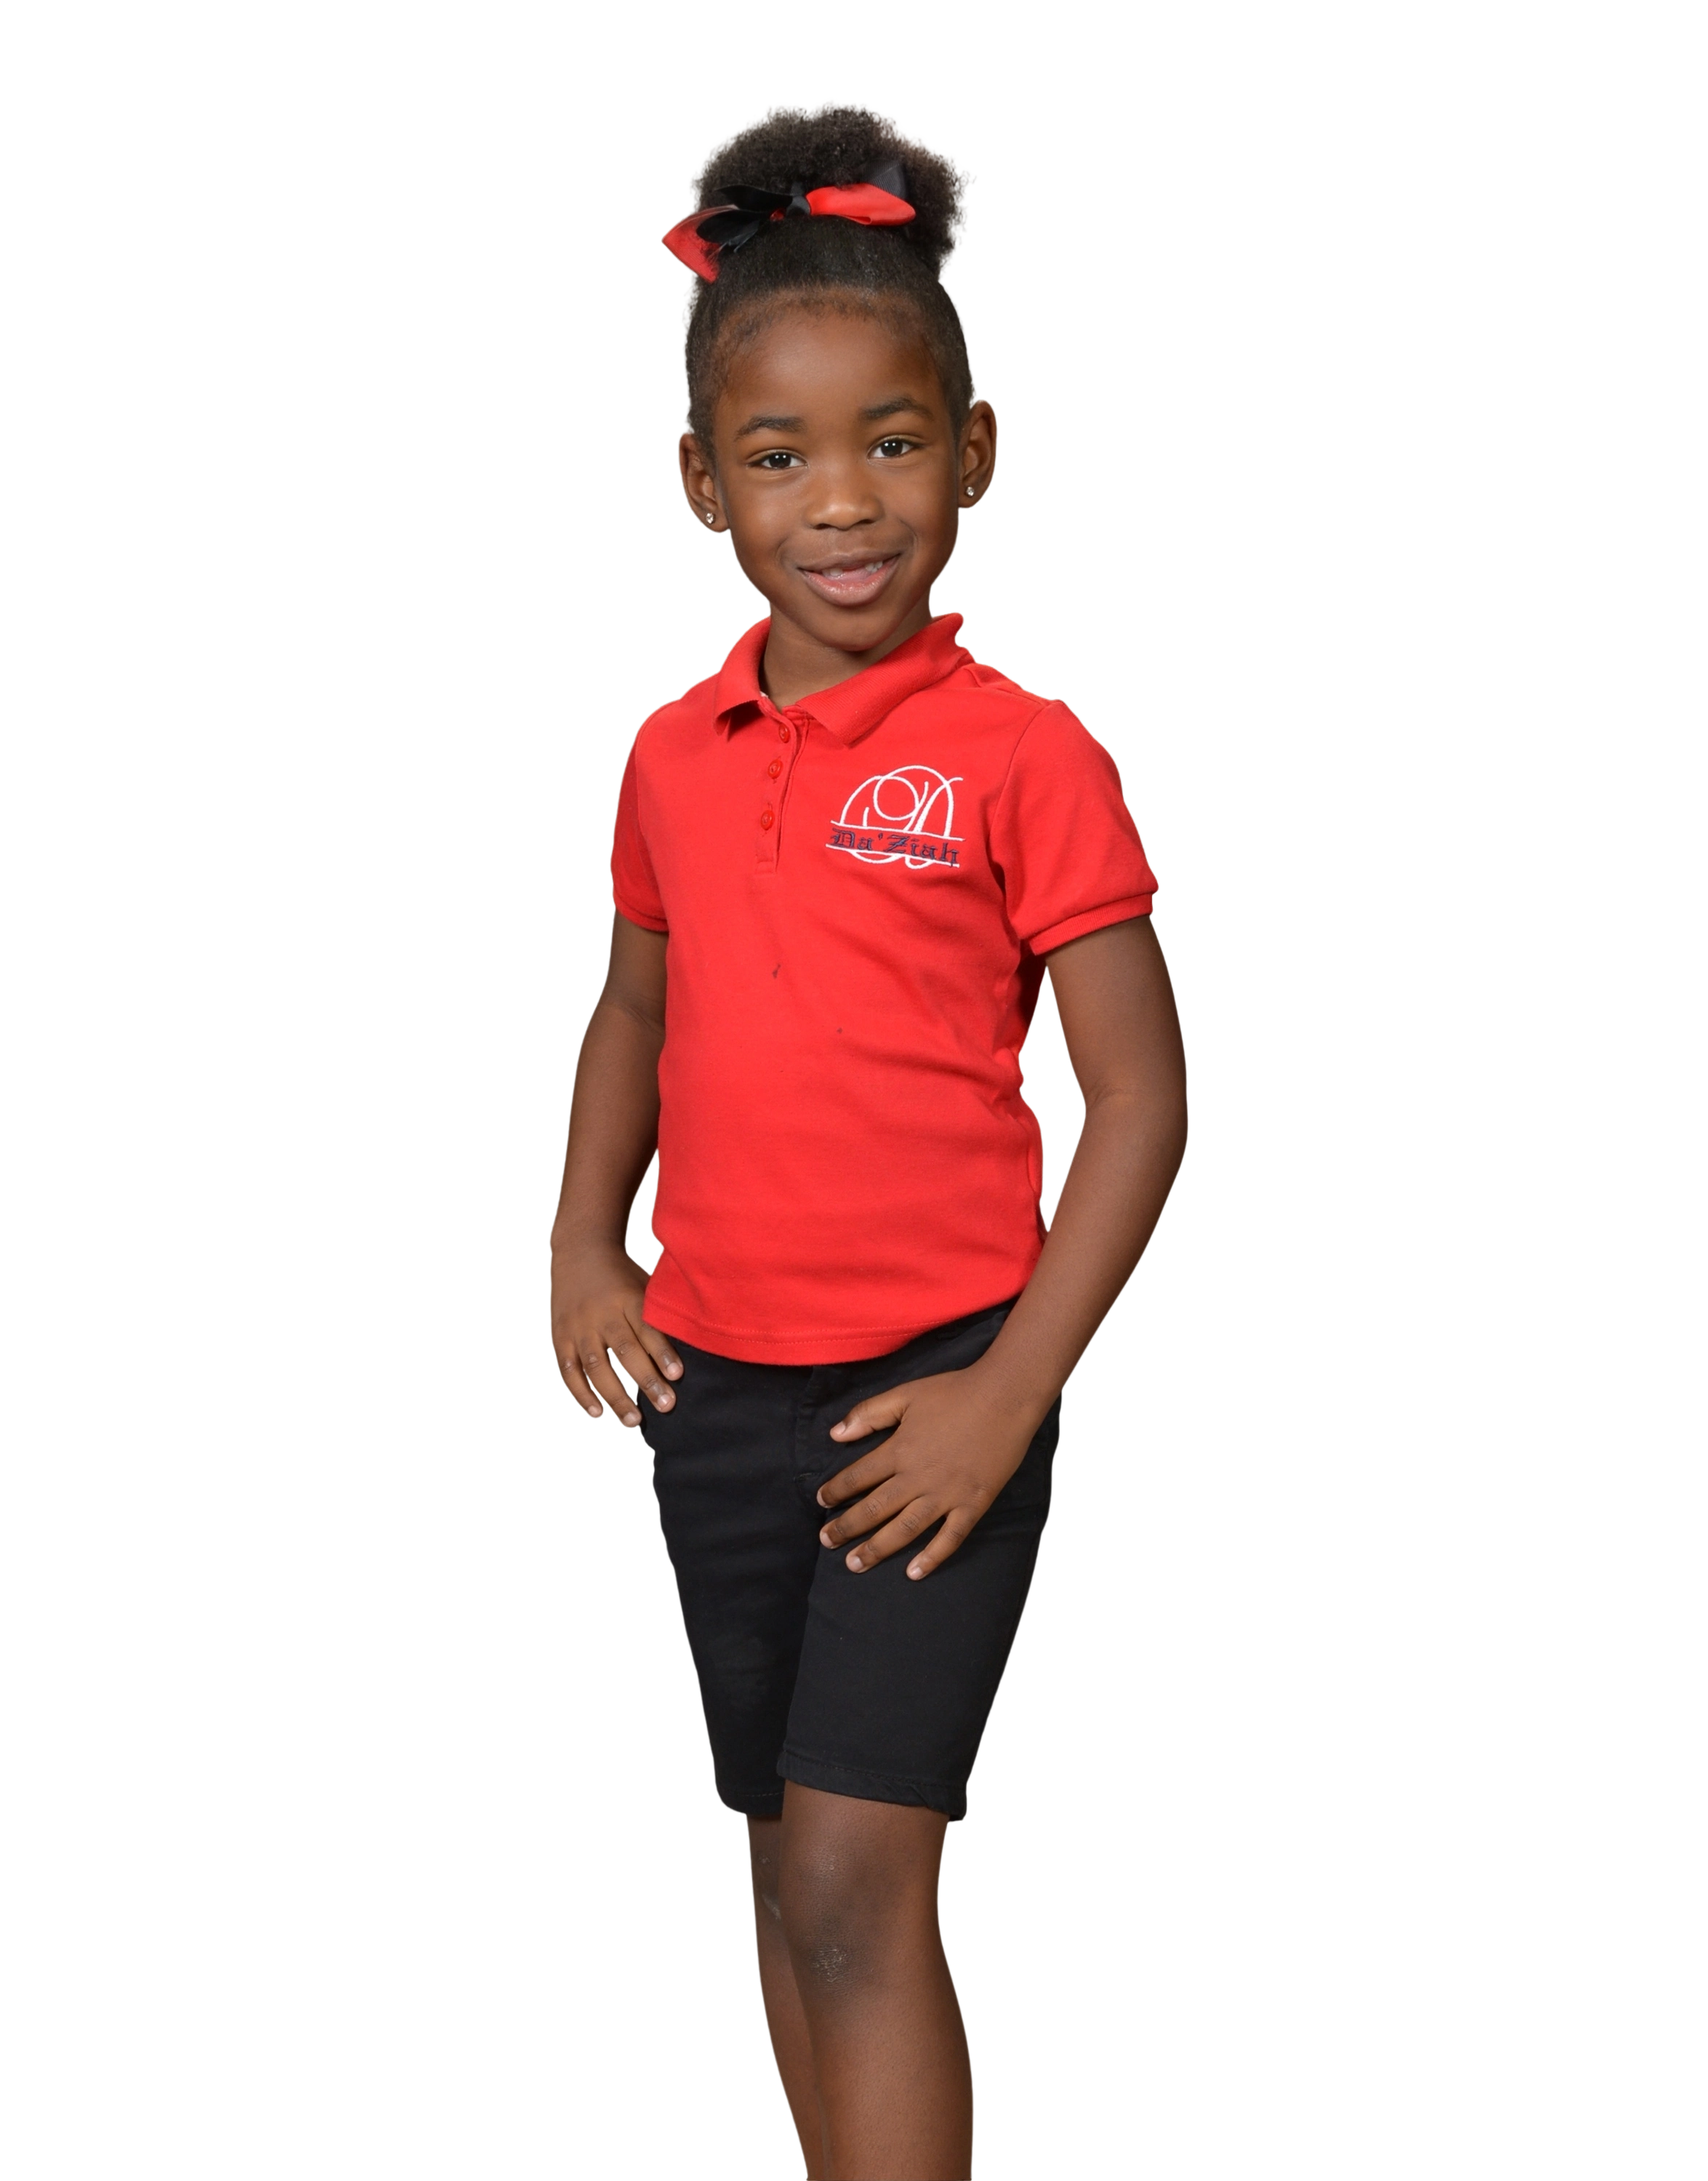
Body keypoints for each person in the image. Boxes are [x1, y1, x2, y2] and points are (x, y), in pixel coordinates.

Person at [547, 95, 1190, 2181]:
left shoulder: (1026, 757)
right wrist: (583, 1241)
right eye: (780, 455)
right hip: (712, 1391)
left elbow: (1145, 1101)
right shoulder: (668, 750)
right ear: (700, 483)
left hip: (934, 1399)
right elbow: (636, 1011)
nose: (843, 501)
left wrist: (1010, 1396)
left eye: (893, 442)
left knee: (854, 1883)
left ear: (975, 452)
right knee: (778, 1872)